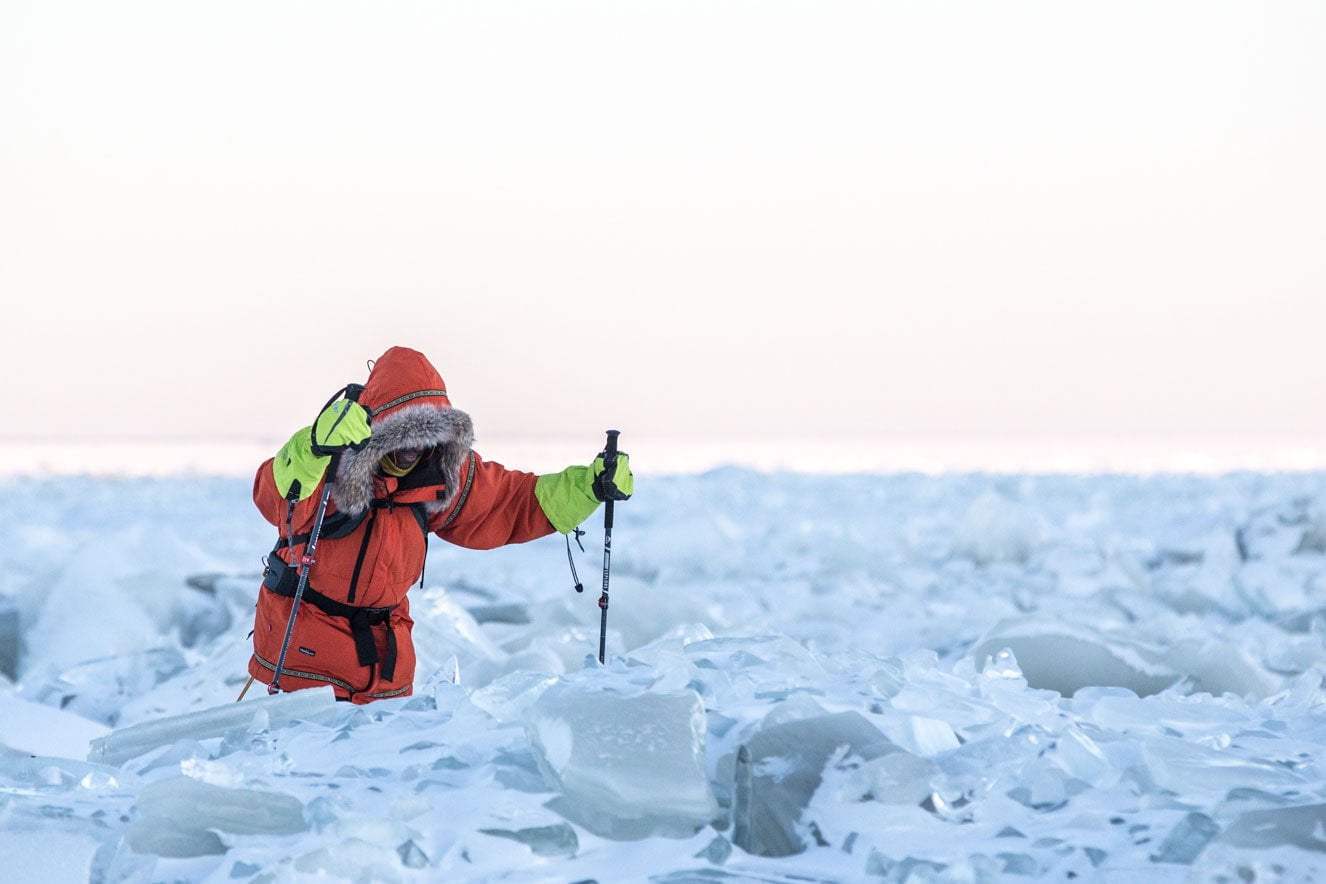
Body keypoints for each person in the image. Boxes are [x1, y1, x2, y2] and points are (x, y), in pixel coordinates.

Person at [246, 346, 632, 703]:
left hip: (385, 672)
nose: (410, 455)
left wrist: (590, 486)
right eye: (399, 442)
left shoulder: (440, 476)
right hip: (301, 671)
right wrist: (312, 448)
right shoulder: (330, 465)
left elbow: (513, 501)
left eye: (421, 443)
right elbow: (277, 497)